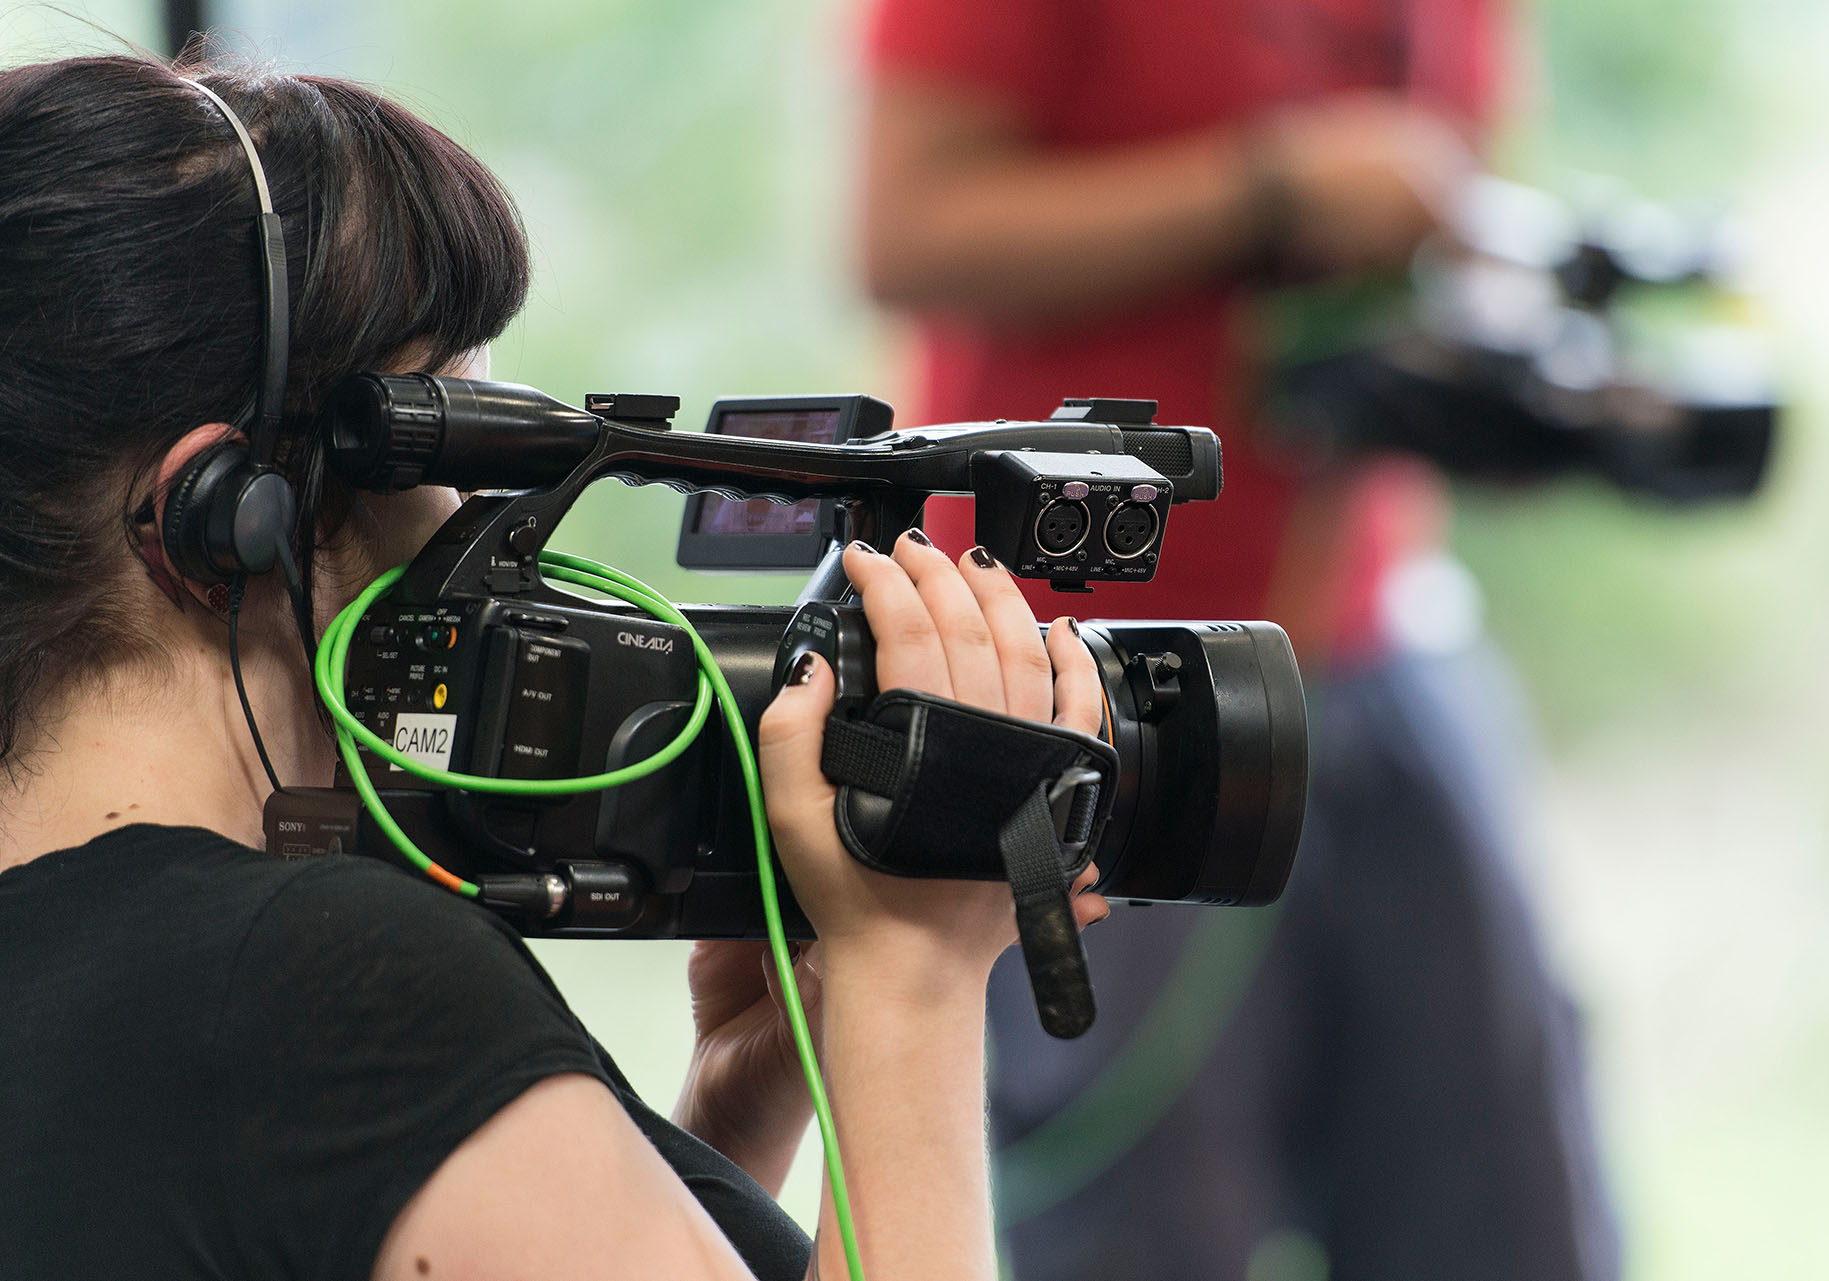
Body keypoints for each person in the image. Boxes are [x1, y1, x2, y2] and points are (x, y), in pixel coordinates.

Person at [0, 54, 1108, 1281]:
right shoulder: (323, 986)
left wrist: (726, 1118)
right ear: (215, 516)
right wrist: (914, 980)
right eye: (444, 432)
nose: (478, 509)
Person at [859, 1, 1620, 1278]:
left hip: (1373, 641)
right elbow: (901, 228)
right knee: (1142, 1226)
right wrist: (1265, 198)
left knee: (1508, 1205)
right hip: (1079, 678)